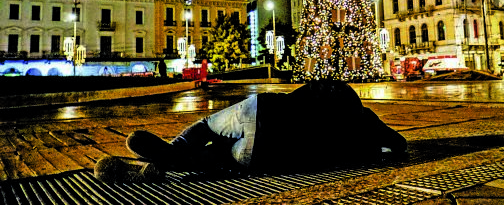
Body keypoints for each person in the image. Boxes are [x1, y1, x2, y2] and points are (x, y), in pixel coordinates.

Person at [95, 79, 407, 183]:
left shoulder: (337, 93)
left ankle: (167, 154)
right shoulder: (365, 133)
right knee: (216, 158)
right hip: (271, 152)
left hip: (264, 110)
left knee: (206, 127)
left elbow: (311, 91)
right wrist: (379, 144)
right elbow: (398, 143)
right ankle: (159, 167)